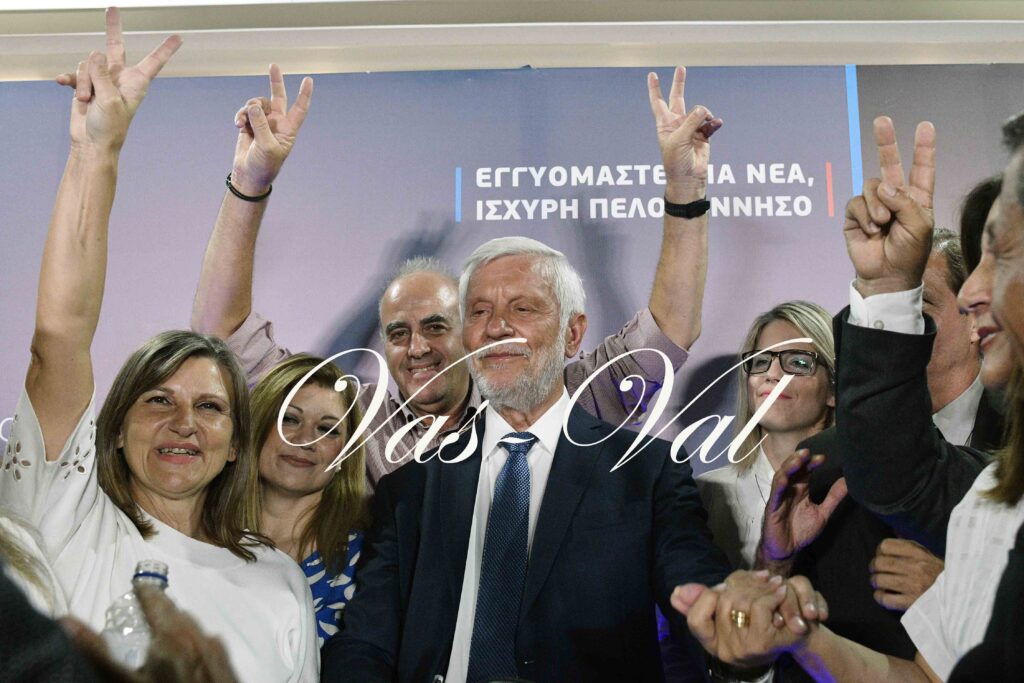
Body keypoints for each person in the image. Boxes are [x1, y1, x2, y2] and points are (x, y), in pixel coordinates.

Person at [322, 235, 829, 682]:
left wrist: (735, 618)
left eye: (523, 308)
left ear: (572, 333)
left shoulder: (645, 471)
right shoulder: (409, 489)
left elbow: (697, 587)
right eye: (477, 312)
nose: (496, 328)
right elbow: (365, 641)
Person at [191, 66, 718, 488]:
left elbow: (666, 331)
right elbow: (224, 337)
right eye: (398, 332)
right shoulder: (357, 421)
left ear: (468, 333)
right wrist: (249, 182)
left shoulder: (562, 401)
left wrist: (685, 190)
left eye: (437, 326)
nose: (417, 348)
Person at [0, 10, 316, 681]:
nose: (184, 423)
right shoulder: (63, 510)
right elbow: (59, 338)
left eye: (211, 407)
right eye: (158, 399)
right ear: (114, 429)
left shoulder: (278, 581)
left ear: (237, 444)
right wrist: (96, 152)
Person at [677, 113, 1024, 682]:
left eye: (1003, 256)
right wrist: (800, 633)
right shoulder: (984, 490)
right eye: (760, 360)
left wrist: (971, 591)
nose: (976, 294)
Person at [697, 300, 844, 570]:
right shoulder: (703, 495)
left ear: (833, 390)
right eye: (761, 361)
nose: (772, 374)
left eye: (798, 362)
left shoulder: (861, 493)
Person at [248, 354, 367, 644]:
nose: (304, 440)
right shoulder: (199, 532)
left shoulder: (364, 562)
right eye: (290, 419)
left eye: (327, 429)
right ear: (257, 427)